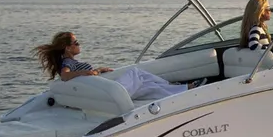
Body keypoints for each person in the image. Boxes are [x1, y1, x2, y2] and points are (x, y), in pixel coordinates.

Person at [33, 31, 202, 101]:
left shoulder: (70, 62)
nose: (79, 44)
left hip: (103, 92)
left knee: (149, 86)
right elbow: (65, 75)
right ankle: (178, 86)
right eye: (76, 42)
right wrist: (90, 72)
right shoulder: (67, 63)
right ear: (68, 48)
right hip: (108, 93)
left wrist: (98, 70)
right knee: (136, 72)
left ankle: (185, 90)